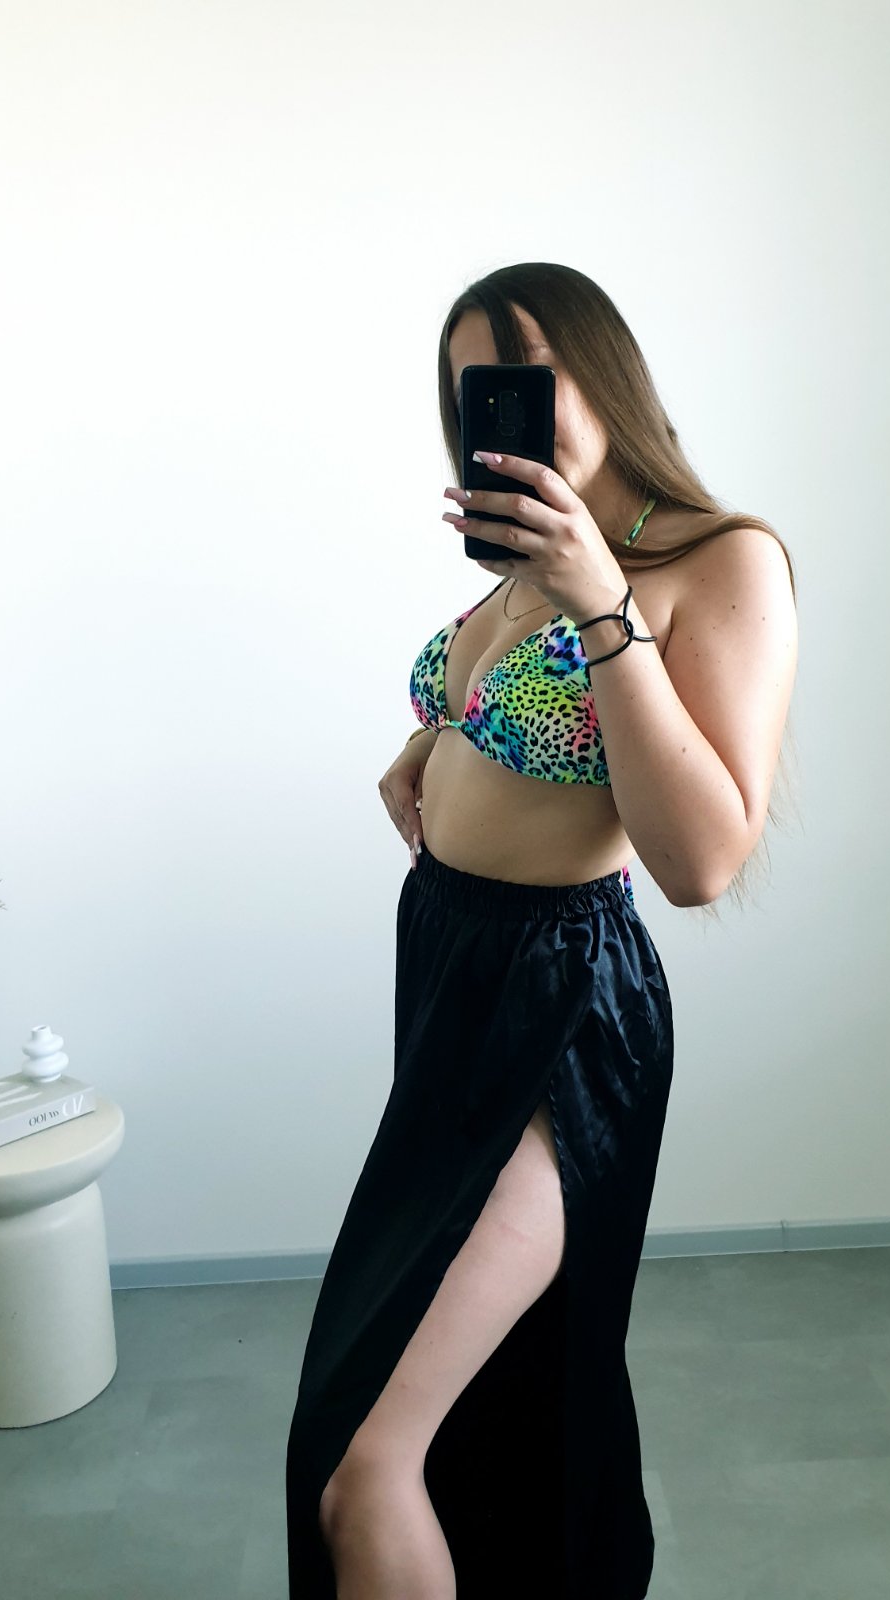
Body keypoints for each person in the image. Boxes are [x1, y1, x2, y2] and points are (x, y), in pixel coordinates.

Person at [285, 262, 798, 1600]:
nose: (496, 413)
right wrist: (436, 739)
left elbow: (702, 858)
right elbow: (534, 724)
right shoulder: (519, 556)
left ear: (604, 373)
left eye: (526, 378)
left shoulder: (718, 561)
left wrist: (599, 602)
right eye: (472, 395)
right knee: (477, 1418)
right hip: (451, 980)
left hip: (558, 1021)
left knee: (368, 1458)